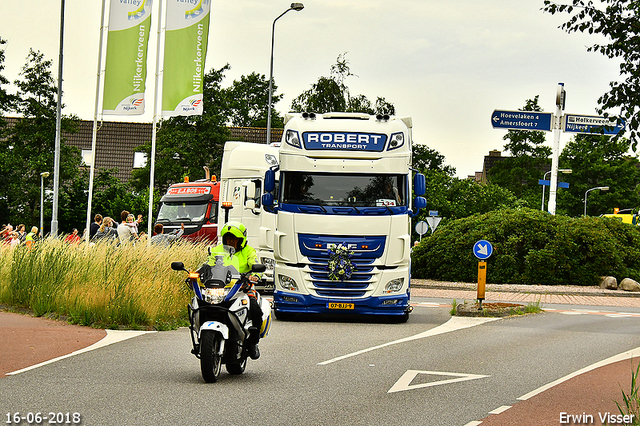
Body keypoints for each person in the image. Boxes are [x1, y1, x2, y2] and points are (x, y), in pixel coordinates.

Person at [207, 221, 263, 360]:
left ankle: (252, 343)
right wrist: (198, 274)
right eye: (228, 238)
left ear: (241, 240)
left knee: (255, 309)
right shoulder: (216, 250)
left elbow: (254, 264)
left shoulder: (248, 251)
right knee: (200, 303)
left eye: (234, 239)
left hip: (242, 288)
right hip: (221, 288)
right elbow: (208, 264)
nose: (231, 241)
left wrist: (255, 275)